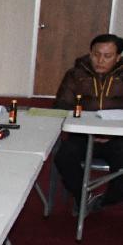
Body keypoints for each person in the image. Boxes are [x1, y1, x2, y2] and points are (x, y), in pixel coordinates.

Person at [53, 34, 123, 211]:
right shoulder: (75, 74)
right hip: (82, 135)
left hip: (117, 138)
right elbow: (61, 106)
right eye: (96, 54)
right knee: (63, 156)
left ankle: (106, 200)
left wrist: (110, 131)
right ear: (90, 53)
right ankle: (84, 196)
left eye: (107, 56)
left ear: (118, 57)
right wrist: (84, 126)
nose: (100, 60)